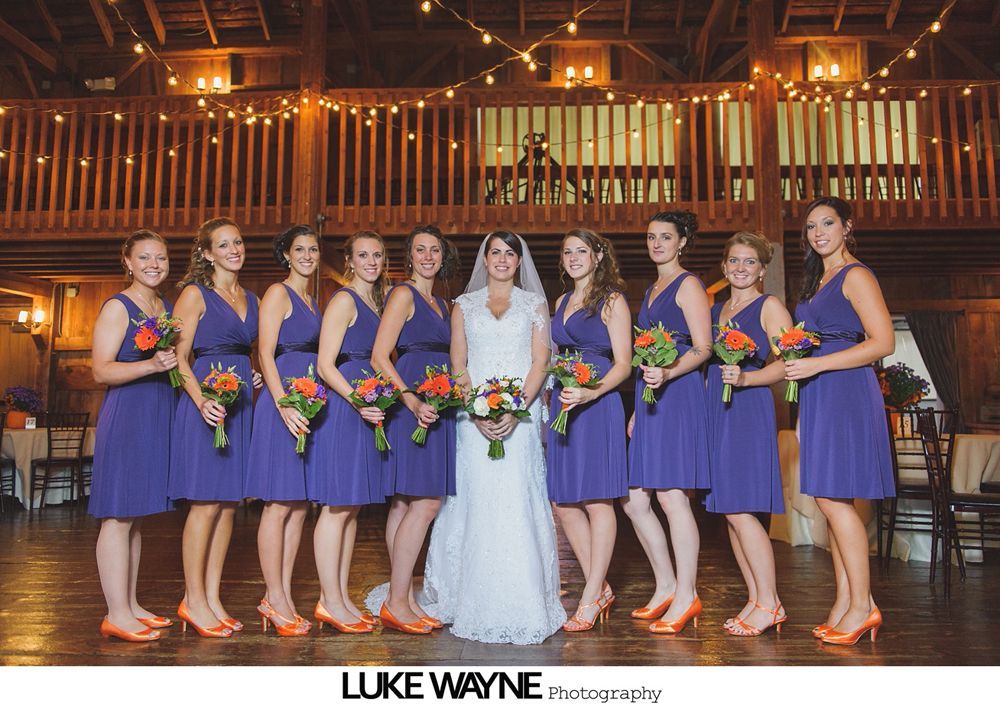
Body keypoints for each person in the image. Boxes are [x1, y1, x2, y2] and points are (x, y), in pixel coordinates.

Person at [418, 230, 566, 645]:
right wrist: (475, 409)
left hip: (520, 415)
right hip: (473, 417)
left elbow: (541, 361)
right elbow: (459, 361)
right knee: (473, 498)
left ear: (519, 262)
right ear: (485, 259)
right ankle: (461, 593)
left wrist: (517, 409)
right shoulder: (462, 306)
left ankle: (525, 597)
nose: (502, 259)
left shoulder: (534, 303)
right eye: (495, 252)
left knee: (518, 495)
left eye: (509, 254)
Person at [789, 196, 894, 645]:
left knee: (835, 501)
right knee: (828, 501)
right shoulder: (819, 280)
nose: (818, 233)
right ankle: (843, 601)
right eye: (811, 226)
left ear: (847, 227)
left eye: (827, 223)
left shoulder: (857, 274)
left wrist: (816, 367)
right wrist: (801, 408)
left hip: (847, 390)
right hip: (819, 395)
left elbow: (883, 342)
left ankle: (863, 605)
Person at [168, 217, 261, 638]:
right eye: (223, 245)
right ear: (206, 253)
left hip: (239, 405)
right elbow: (178, 358)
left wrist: (253, 374)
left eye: (237, 242)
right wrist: (201, 398)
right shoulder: (194, 294)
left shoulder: (252, 298)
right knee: (204, 503)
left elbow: (247, 349)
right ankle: (192, 598)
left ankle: (212, 594)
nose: (233, 250)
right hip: (204, 405)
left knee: (228, 504)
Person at [623, 210, 712, 635]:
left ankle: (687, 594)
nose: (657, 243)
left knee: (673, 497)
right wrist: (639, 407)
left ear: (682, 242)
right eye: (651, 236)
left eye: (665, 237)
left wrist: (670, 373)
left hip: (677, 394)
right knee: (635, 500)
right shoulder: (653, 287)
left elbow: (704, 347)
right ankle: (665, 585)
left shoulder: (688, 284)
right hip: (651, 395)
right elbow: (643, 353)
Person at [370, 225, 459, 634]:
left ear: (442, 256)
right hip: (414, 403)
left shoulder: (441, 303)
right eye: (420, 249)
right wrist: (410, 399)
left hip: (438, 403)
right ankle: (397, 601)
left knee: (406, 504)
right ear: (409, 256)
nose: (427, 256)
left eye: (434, 250)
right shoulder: (403, 294)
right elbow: (378, 355)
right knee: (425, 504)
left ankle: (402, 597)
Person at [89, 230, 177, 642]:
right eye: (144, 257)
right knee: (118, 514)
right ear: (127, 261)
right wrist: (151, 367)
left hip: (157, 414)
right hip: (127, 415)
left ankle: (132, 603)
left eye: (159, 257)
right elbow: (101, 370)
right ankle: (115, 613)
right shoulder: (117, 307)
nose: (153, 264)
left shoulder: (164, 306)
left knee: (136, 516)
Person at [705, 232, 791, 636]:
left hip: (748, 409)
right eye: (734, 261)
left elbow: (790, 362)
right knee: (729, 511)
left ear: (762, 269)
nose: (741, 268)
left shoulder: (768, 305)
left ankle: (771, 602)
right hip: (719, 411)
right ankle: (755, 598)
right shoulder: (719, 308)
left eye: (749, 262)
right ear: (724, 267)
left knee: (741, 508)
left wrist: (750, 378)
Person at [547, 228, 631, 632]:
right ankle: (599, 588)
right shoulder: (561, 300)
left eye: (582, 251)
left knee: (598, 502)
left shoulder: (612, 300)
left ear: (598, 256)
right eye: (568, 252)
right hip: (564, 404)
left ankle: (591, 592)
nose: (574, 257)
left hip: (597, 406)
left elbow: (623, 364)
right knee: (564, 502)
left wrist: (590, 392)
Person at [310, 231, 391, 634]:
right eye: (363, 255)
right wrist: (357, 399)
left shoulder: (376, 304)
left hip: (369, 404)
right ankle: (327, 599)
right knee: (337, 505)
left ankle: (340, 595)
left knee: (353, 507)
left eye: (377, 255)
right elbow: (325, 364)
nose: (372, 261)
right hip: (345, 408)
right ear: (350, 261)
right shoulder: (344, 300)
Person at [244, 225, 322, 637]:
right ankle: (273, 596)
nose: (308, 255)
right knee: (277, 504)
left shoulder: (312, 298)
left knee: (297, 505)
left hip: (309, 400)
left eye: (313, 249)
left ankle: (284, 595)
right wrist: (283, 403)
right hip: (284, 403)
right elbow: (265, 352)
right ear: (286, 255)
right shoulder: (278, 293)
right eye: (299, 249)